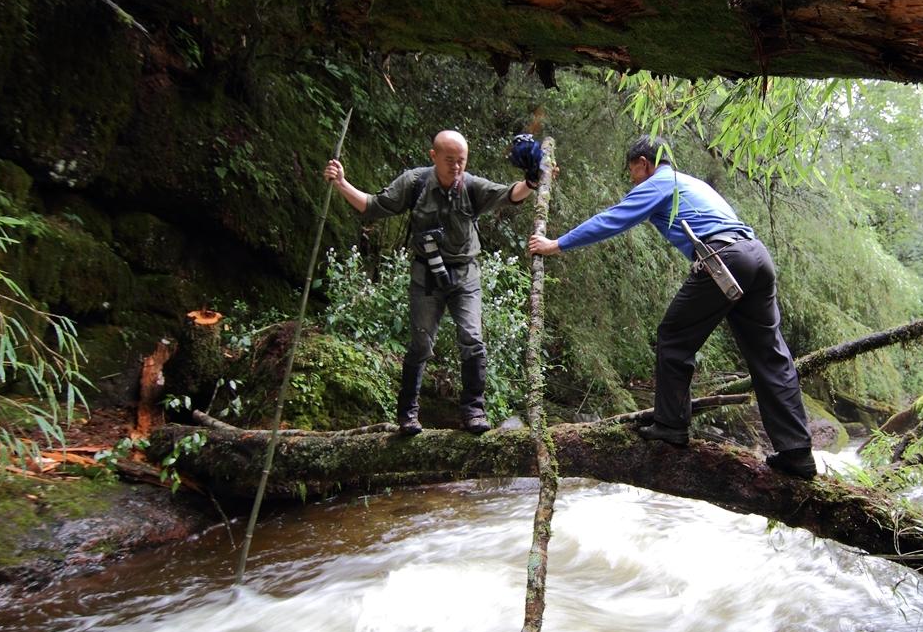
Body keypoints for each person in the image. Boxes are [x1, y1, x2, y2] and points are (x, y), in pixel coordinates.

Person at [527, 136, 817, 480]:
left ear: (644, 163)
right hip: (755, 255)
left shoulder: (661, 182)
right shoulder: (691, 182)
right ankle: (797, 453)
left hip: (724, 258)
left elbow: (613, 219)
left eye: (633, 171)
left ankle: (671, 426)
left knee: (674, 336)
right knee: (770, 354)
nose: (632, 179)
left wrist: (556, 244)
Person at [324, 129, 539, 436]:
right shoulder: (414, 184)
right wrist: (341, 182)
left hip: (465, 275)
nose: (456, 167)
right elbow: (372, 206)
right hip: (426, 276)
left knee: (472, 339)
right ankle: (408, 415)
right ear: (433, 156)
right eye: (449, 160)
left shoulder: (472, 187)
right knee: (421, 344)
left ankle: (474, 411)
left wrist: (532, 181)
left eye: (461, 160)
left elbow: (509, 194)